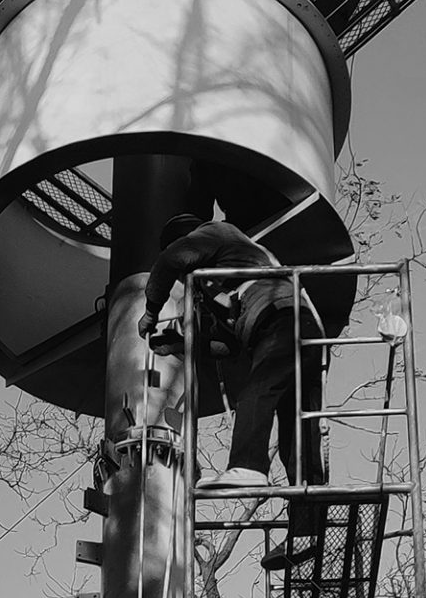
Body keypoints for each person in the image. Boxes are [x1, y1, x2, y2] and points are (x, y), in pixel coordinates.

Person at [139, 212, 324, 497]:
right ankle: (311, 519)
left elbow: (171, 260)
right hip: (301, 329)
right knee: (297, 431)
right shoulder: (232, 269)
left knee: (257, 392)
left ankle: (248, 466)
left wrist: (151, 312)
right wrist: (184, 343)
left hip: (282, 320)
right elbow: (230, 345)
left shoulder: (216, 231)